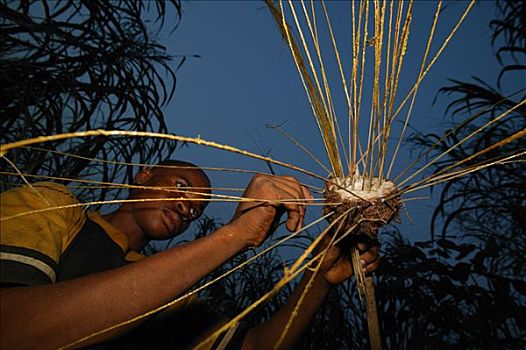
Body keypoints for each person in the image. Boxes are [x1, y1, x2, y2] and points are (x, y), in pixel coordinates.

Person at [0, 160, 380, 349]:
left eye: (197, 211)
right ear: (145, 176)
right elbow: (11, 327)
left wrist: (317, 279)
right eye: (180, 187)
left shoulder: (171, 294)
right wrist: (235, 235)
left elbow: (255, 346)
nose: (186, 207)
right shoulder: (51, 206)